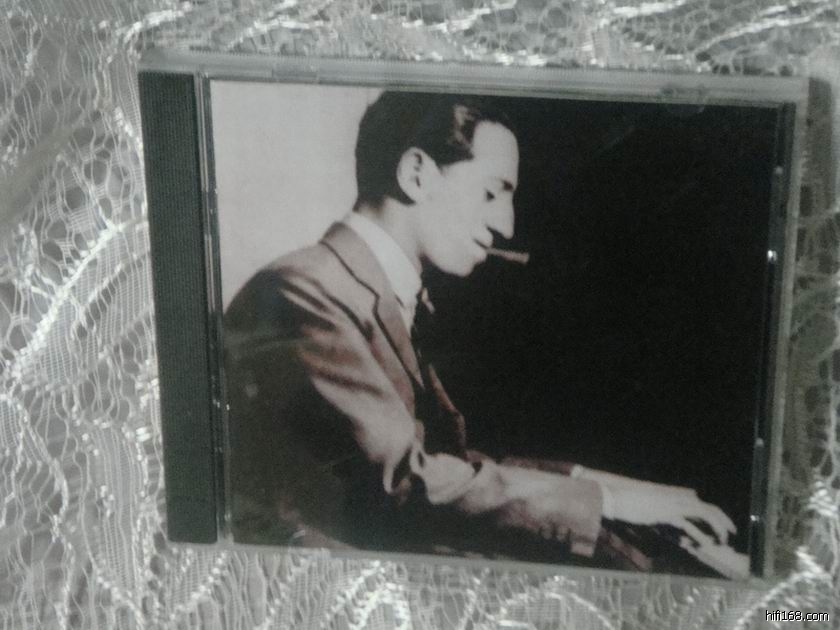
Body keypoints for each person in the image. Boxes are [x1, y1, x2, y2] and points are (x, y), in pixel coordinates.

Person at [224, 91, 736, 566]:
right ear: (417, 174)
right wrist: (606, 502)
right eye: (492, 192)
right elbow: (403, 481)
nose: (506, 225)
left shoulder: (366, 290)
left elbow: (445, 462)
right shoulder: (302, 290)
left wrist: (607, 487)